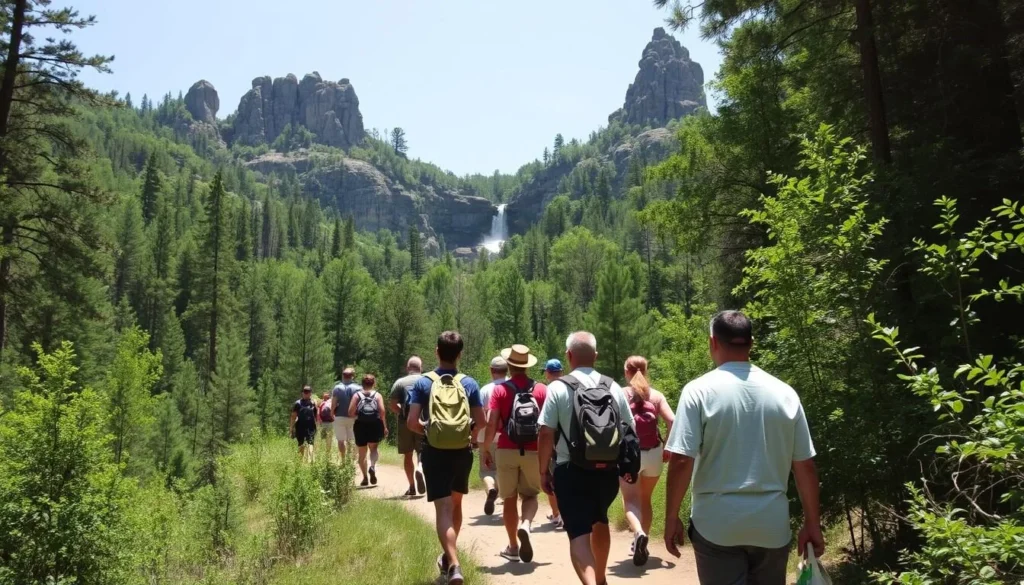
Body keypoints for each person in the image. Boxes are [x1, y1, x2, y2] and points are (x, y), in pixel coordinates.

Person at [663, 310, 823, 585]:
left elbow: (681, 460)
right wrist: (812, 523)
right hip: (771, 526)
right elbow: (805, 466)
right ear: (751, 343)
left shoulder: (698, 391)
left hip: (716, 525)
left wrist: (671, 517)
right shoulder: (785, 393)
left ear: (713, 342)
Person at [538, 332, 635, 585]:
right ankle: (601, 579)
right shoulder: (613, 386)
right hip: (606, 472)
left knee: (579, 533)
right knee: (599, 518)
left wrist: (543, 472)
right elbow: (629, 427)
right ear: (595, 356)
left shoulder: (558, 387)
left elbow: (546, 432)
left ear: (569, 356)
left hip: (570, 470)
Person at [407, 331, 485, 585]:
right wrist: (470, 439)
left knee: (443, 509)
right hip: (462, 453)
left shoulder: (423, 383)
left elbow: (411, 422)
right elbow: (481, 422)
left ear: (437, 352)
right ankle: (448, 560)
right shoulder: (469, 383)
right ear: (459, 354)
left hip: (435, 451)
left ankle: (453, 563)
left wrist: (429, 430)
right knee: (456, 505)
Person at [482, 344, 547, 563]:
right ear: (527, 366)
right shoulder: (541, 390)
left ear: (509, 365)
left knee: (508, 499)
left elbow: (491, 423)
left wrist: (485, 448)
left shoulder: (499, 390)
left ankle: (512, 546)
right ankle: (526, 525)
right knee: (530, 495)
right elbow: (547, 426)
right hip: (533, 450)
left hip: (506, 448)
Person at [619, 355, 674, 566]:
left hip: (630, 455)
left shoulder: (622, 394)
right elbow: (672, 420)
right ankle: (642, 540)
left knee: (630, 500)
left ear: (626, 372)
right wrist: (667, 447)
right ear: (646, 370)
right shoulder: (656, 395)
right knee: (646, 499)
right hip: (654, 454)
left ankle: (638, 532)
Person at [389, 355, 427, 497]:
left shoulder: (400, 382)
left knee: (407, 454)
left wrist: (402, 414)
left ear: (408, 368)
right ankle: (420, 468)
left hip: (405, 422)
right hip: (423, 421)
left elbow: (392, 404)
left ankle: (411, 486)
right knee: (422, 451)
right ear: (420, 368)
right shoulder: (427, 380)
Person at [477, 355, 507, 515]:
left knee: (486, 470)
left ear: (491, 370)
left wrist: (475, 436)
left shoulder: (485, 390)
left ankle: (490, 489)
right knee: (504, 469)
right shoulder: (511, 387)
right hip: (506, 437)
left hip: (485, 436)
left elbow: (479, 416)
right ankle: (503, 495)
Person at [348, 373, 388, 487]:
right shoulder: (377, 395)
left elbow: (350, 412)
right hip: (375, 424)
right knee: (373, 448)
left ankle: (365, 477)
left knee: (362, 453)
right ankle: (372, 466)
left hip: (360, 425)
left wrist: (358, 415)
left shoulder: (357, 395)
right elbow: (382, 412)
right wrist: (384, 426)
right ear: (373, 383)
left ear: (362, 383)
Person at [542, 359, 564, 529]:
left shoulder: (549, 390)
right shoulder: (569, 387)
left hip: (553, 441)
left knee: (552, 480)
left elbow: (545, 423)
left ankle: (558, 514)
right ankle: (562, 514)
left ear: (548, 373)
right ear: (561, 372)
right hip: (569, 441)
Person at [331, 368, 360, 458]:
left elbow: (334, 403)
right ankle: (349, 459)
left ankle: (343, 460)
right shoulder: (358, 388)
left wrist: (332, 413)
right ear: (353, 376)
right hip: (353, 417)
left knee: (341, 440)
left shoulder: (337, 388)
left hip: (339, 416)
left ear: (343, 376)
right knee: (351, 440)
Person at [290, 385, 318, 463]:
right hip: (308, 426)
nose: (306, 394)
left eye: (307, 392)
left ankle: (301, 462)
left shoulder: (298, 403)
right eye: (305, 392)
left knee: (304, 444)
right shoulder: (312, 402)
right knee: (308, 443)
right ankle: (310, 461)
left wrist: (291, 428)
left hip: (303, 426)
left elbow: (293, 417)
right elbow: (316, 415)